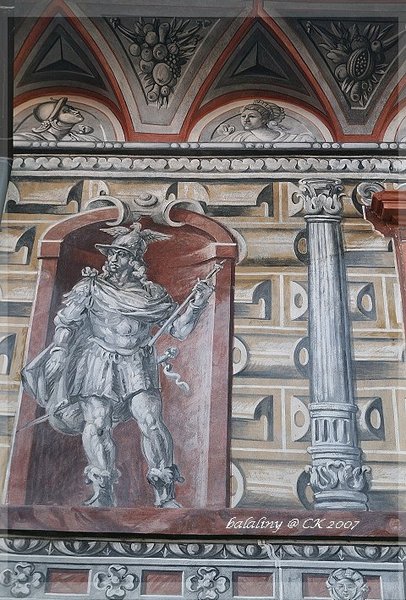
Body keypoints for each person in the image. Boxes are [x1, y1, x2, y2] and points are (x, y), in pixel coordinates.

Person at [22, 223, 213, 508]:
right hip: (97, 362)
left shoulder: (152, 295)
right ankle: (103, 492)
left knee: (150, 421)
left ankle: (165, 493)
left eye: (120, 254)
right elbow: (67, 322)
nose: (112, 259)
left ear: (134, 261)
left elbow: (180, 330)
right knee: (98, 424)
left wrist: (197, 303)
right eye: (111, 254)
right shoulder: (91, 287)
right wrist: (60, 350)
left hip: (137, 363)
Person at [214, 99, 315, 142]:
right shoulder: (239, 137)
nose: (246, 120)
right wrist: (225, 135)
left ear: (264, 120)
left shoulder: (291, 138)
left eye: (252, 116)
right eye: (243, 116)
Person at [14, 97, 100, 142]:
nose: (76, 111)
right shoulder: (28, 139)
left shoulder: (86, 139)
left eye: (72, 108)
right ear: (54, 121)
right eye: (66, 111)